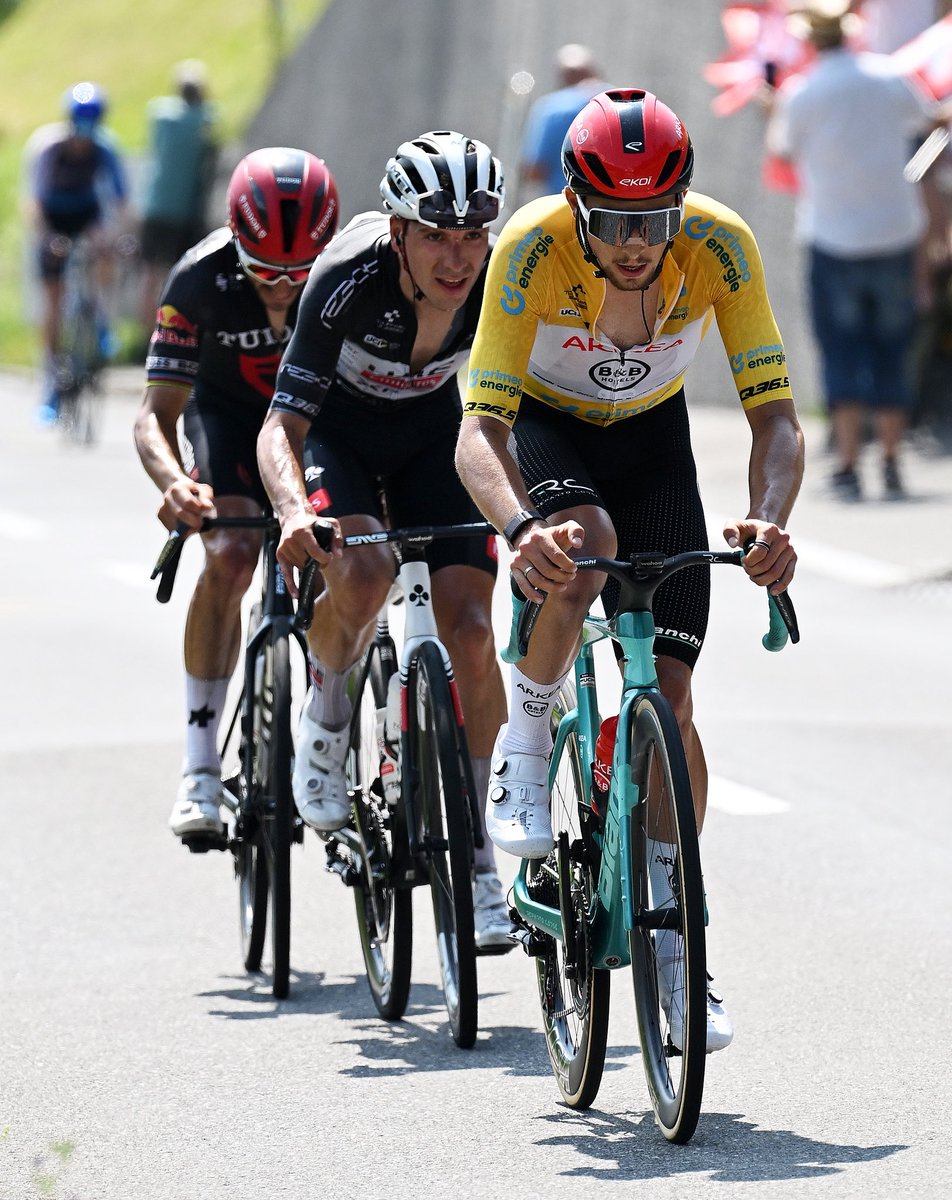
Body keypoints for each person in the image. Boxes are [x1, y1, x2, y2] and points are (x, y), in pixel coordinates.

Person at [455, 88, 803, 1047]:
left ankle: (676, 952)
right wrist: (521, 525)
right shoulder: (529, 247)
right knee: (584, 548)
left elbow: (774, 417)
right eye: (613, 222)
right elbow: (477, 432)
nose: (636, 242)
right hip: (544, 428)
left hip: (655, 446)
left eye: (655, 219)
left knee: (674, 710)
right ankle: (524, 751)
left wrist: (769, 522)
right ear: (575, 205)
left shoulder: (721, 245)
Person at [255, 131, 514, 953]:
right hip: (340, 437)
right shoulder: (346, 279)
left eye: (473, 234)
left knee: (472, 630)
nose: (458, 257)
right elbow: (279, 429)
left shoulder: (500, 281)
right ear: (397, 230)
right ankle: (327, 721)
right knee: (361, 573)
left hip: (435, 433)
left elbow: (529, 409)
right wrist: (296, 512)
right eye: (436, 233)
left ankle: (476, 857)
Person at [133, 146, 340, 841]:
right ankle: (198, 767)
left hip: (311, 426)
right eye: (266, 272)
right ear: (236, 243)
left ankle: (329, 727)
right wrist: (177, 483)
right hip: (225, 416)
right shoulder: (198, 279)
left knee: (344, 550)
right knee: (227, 553)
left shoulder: (345, 276)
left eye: (298, 273)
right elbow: (154, 414)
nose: (283, 288)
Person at [766, 8, 944, 500]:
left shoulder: (800, 92)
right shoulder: (890, 77)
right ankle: (889, 459)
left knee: (841, 352)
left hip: (832, 237)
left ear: (811, 42)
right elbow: (929, 118)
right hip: (894, 232)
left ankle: (847, 464)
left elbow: (782, 151)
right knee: (893, 349)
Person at [23, 82, 129, 423]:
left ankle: (99, 320)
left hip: (86, 215)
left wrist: (117, 237)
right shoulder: (49, 147)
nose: (83, 140)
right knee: (54, 300)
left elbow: (121, 201)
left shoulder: (105, 148)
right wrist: (48, 237)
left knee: (105, 248)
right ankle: (52, 380)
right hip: (54, 218)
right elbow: (34, 202)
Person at [139, 60, 218, 335]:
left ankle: (143, 335)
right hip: (185, 211)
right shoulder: (204, 118)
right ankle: (173, 331)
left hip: (155, 205)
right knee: (180, 275)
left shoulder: (160, 114)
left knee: (150, 274)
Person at [518, 44, 604, 199]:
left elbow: (534, 170)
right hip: (613, 208)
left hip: (565, 205)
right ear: (593, 71)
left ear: (563, 77)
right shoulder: (620, 103)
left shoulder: (551, 108)